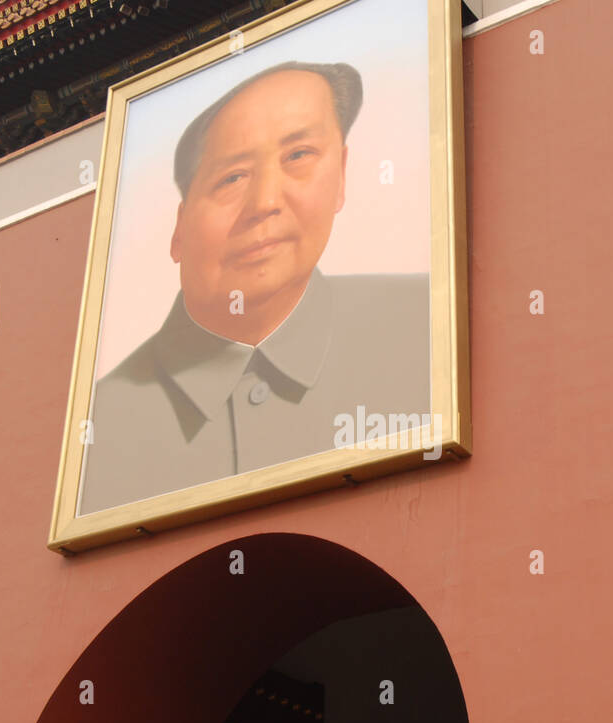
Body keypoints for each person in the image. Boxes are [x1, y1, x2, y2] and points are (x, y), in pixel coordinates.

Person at [78, 60, 431, 516]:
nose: (264, 203)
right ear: (179, 228)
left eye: (298, 156)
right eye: (232, 178)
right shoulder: (100, 426)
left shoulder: (424, 326)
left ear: (341, 172)